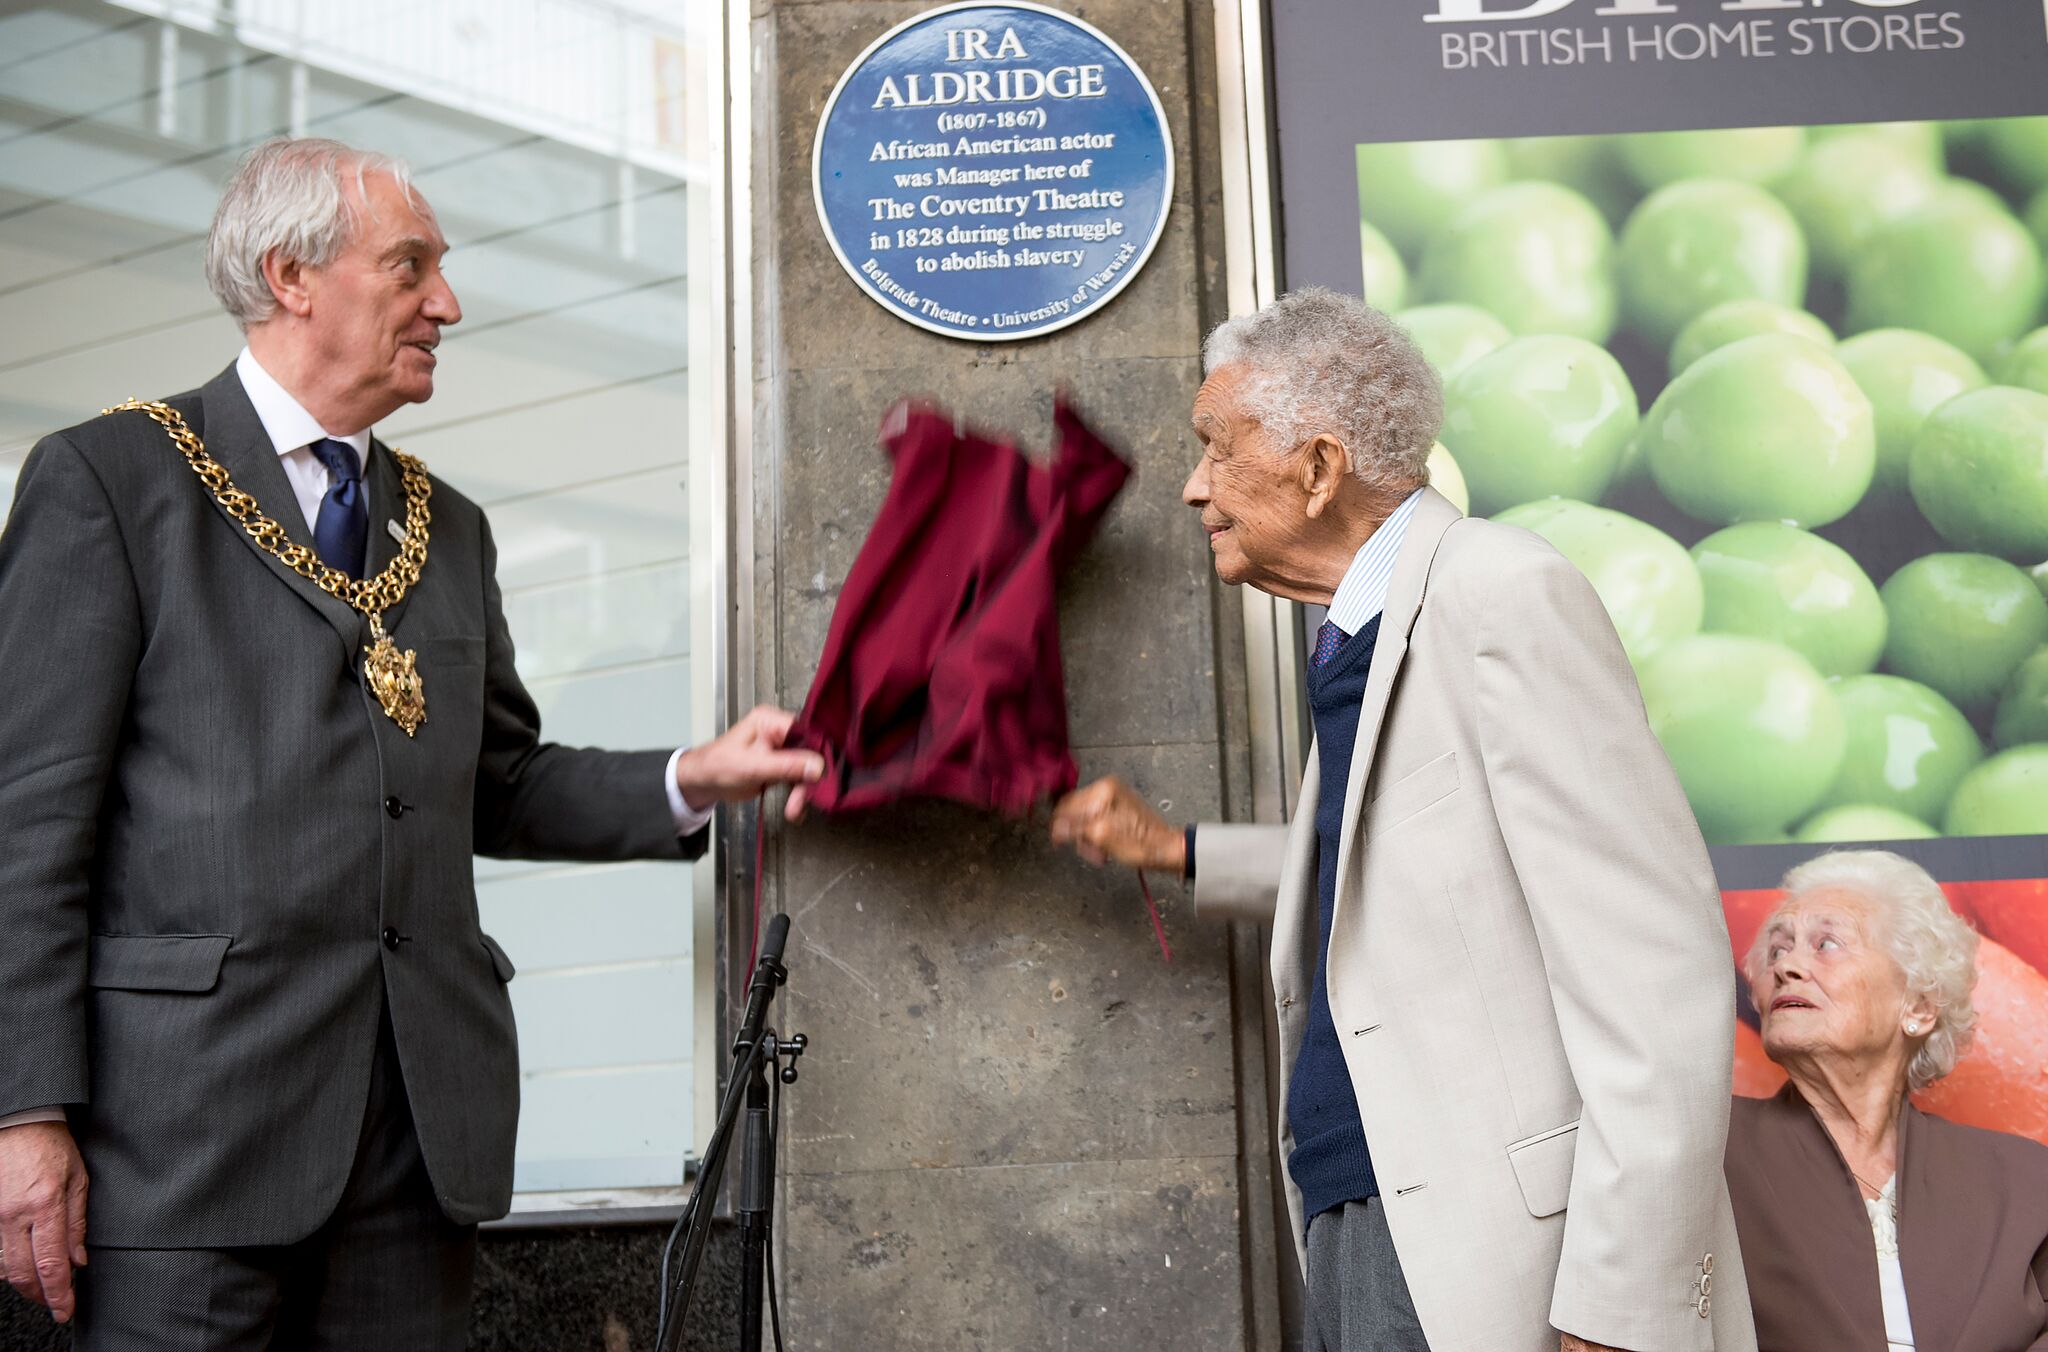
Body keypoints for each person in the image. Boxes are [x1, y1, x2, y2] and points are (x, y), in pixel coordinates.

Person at [0, 137, 820, 1347]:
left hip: (415, 1146)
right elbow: (27, 827)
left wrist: (693, 775)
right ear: (292, 276)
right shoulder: (112, 479)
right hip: (182, 1145)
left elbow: (499, 782)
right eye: (411, 267)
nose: (448, 302)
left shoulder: (450, 526)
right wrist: (25, 1112)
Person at [1051, 288, 1754, 1352]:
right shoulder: (1356, 635)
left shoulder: (1498, 593)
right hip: (1362, 1208)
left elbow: (1655, 971)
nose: (1193, 487)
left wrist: (1621, 1306)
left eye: (1214, 447)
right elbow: (1407, 864)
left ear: (1318, 465)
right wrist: (1178, 850)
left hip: (1492, 1246)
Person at [1727, 849, 2048, 1351]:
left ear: (1918, 1006)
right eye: (1775, 951)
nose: (1787, 965)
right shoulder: (1709, 1154)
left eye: (1826, 943)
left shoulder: (2027, 1184)